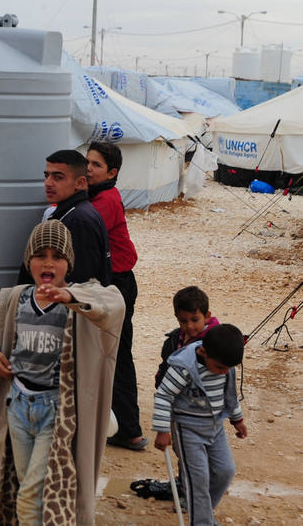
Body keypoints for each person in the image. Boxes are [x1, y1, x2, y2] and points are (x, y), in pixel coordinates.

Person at [0, 220, 126, 526]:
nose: (48, 263)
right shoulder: (15, 298)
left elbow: (114, 304)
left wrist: (72, 298)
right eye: (40, 255)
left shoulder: (79, 301)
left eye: (57, 256)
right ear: (29, 261)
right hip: (17, 406)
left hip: (55, 412)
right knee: (28, 485)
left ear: (69, 264)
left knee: (30, 494)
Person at [153, 324, 247, 526]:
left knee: (226, 470)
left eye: (229, 368)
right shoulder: (184, 366)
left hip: (216, 427)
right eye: (220, 368)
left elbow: (230, 394)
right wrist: (162, 430)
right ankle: (202, 521)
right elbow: (164, 395)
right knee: (198, 479)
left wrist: (237, 419)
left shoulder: (225, 364)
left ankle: (202, 513)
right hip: (187, 429)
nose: (225, 373)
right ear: (203, 352)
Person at [85, 142, 146, 451]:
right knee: (111, 353)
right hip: (115, 280)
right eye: (87, 162)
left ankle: (129, 430)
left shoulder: (104, 201)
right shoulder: (99, 196)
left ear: (111, 173)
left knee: (117, 355)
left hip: (117, 282)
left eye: (96, 165)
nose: (88, 169)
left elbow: (86, 232)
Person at [20, 149, 112, 287]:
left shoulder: (78, 220)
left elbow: (81, 282)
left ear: (80, 183)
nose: (48, 183)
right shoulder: (73, 212)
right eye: (47, 176)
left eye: (58, 177)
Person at [156, 286, 221, 388]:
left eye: (195, 320)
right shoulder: (174, 339)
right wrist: (160, 378)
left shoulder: (213, 343)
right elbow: (165, 362)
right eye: (183, 321)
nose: (189, 326)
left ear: (207, 316)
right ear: (177, 317)